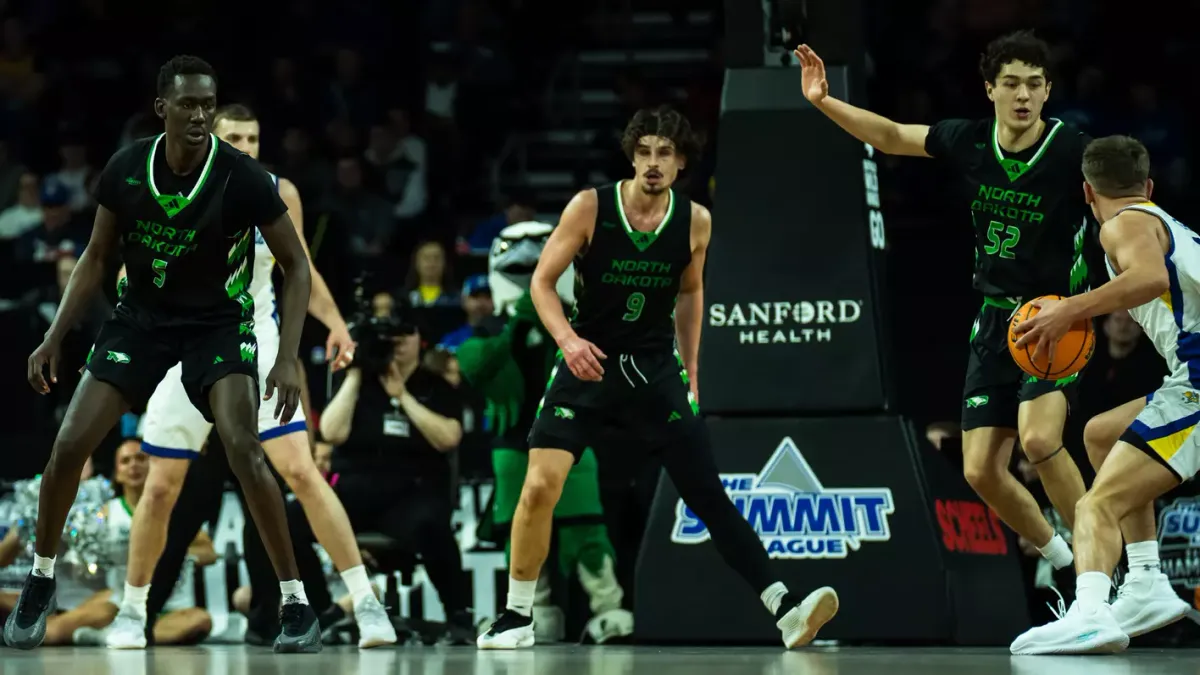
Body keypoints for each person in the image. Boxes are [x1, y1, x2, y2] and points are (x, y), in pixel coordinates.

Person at [476, 106, 838, 650]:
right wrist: (569, 342)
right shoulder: (590, 207)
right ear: (631, 156)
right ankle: (516, 617)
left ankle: (786, 610)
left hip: (653, 371)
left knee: (707, 494)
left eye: (664, 153)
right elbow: (542, 286)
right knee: (539, 486)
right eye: (643, 151)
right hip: (589, 361)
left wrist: (690, 367)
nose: (652, 162)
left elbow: (691, 293)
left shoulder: (695, 220)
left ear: (681, 161)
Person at [3, 55, 321, 653]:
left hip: (220, 326)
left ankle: (296, 602)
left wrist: (289, 357)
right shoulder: (126, 169)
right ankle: (41, 580)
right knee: (70, 444)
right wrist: (53, 336)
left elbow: (298, 264)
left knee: (245, 448)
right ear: (163, 108)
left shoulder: (242, 177)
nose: (200, 114)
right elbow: (96, 258)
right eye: (188, 104)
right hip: (141, 321)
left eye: (208, 104)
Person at [796, 32, 1104, 589]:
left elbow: (1128, 202)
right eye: (1011, 83)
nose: (1023, 95)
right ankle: (1062, 562)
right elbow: (890, 136)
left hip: (1056, 317)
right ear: (989, 89)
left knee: (1037, 441)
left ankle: (1102, 574)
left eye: (1035, 85)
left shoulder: (1072, 151)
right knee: (980, 468)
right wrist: (822, 99)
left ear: (1048, 91)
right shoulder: (970, 140)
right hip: (994, 320)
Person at [102, 103, 395, 650]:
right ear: (210, 137)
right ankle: (131, 611)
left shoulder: (277, 193)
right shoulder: (172, 188)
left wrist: (335, 325)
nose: (247, 145)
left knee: (302, 474)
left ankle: (369, 605)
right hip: (181, 351)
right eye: (235, 136)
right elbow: (130, 269)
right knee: (161, 486)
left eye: (254, 137)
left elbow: (299, 267)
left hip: (250, 345)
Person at [1008, 136, 1194, 654]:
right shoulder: (1164, 222)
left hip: (1198, 381)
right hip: (1187, 374)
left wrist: (1071, 309)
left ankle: (1090, 612)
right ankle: (1147, 583)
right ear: (1149, 185)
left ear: (1087, 192)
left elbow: (1148, 277)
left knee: (1095, 504)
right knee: (1102, 434)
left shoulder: (1125, 223)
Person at [458, 223, 633, 644]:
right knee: (522, 533)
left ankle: (608, 608)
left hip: (573, 442)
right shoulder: (490, 329)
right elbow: (475, 368)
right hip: (514, 447)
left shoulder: (582, 319)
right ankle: (532, 613)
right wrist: (517, 322)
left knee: (587, 532)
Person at [320, 301, 475, 643]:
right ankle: (320, 611)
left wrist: (403, 397)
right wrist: (357, 374)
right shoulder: (359, 382)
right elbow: (331, 432)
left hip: (410, 494)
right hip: (355, 493)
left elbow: (449, 437)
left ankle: (459, 616)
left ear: (420, 339)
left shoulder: (435, 386)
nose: (398, 341)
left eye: (406, 334)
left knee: (432, 525)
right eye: (391, 335)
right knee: (295, 516)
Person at [70, 438, 215, 646]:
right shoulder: (106, 513)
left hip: (171, 607)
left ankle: (110, 637)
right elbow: (86, 559)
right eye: (125, 461)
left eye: (140, 458)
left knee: (200, 620)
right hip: (121, 601)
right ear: (117, 473)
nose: (134, 466)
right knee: (83, 616)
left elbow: (209, 552)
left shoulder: (175, 510)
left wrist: (171, 551)